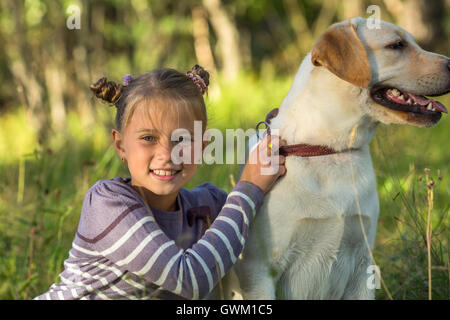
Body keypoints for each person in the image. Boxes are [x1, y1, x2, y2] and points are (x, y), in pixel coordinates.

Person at [34, 65, 286, 300]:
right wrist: (249, 187)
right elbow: (189, 280)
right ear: (120, 145)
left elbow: (244, 217)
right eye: (148, 138)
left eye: (182, 139)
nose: (167, 154)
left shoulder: (208, 206)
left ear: (202, 147)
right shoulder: (107, 202)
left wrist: (270, 147)